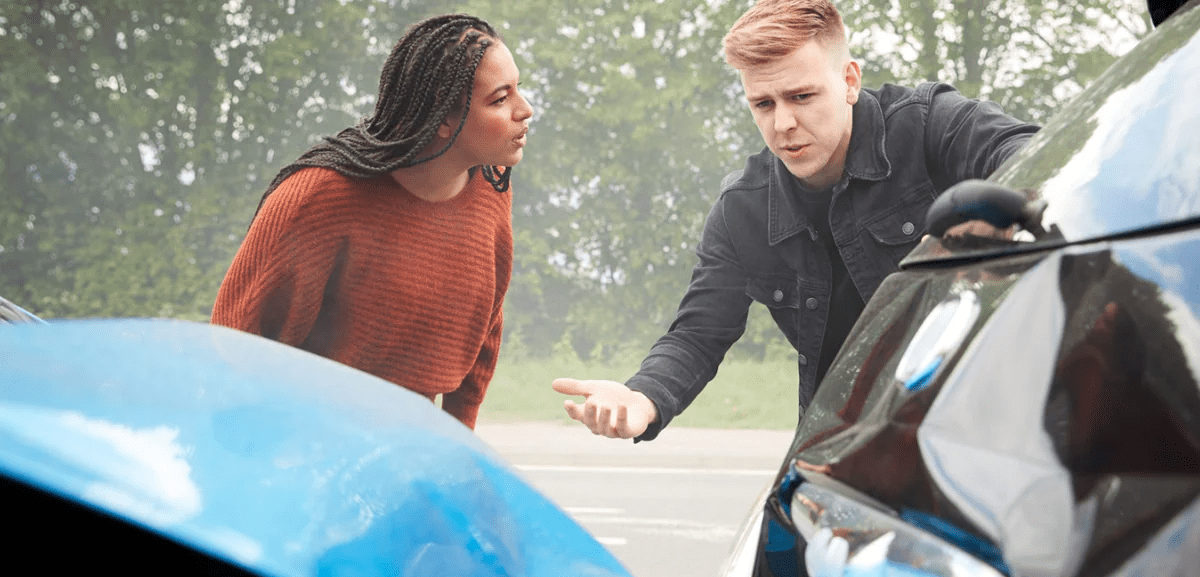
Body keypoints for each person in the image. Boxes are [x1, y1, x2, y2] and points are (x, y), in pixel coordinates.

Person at [552, 0, 1039, 440]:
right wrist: (644, 397)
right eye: (763, 104)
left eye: (801, 97)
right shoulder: (742, 209)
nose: (782, 123)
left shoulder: (931, 125)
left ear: (849, 81)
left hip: (992, 413)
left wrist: (1002, 209)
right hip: (848, 442)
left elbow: (1037, 155)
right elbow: (699, 333)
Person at [211, 14, 533, 430]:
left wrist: (459, 441)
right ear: (442, 118)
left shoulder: (491, 192)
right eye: (500, 98)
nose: (525, 110)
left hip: (414, 444)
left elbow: (487, 323)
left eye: (518, 90)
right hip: (303, 440)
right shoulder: (319, 197)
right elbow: (237, 345)